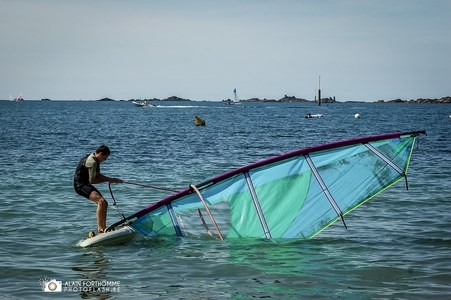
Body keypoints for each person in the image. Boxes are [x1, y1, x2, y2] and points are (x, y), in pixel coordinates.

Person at [74, 145, 123, 234]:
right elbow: (92, 180)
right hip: (80, 185)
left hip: (86, 183)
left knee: (104, 203)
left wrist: (112, 179)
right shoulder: (92, 162)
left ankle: (104, 227)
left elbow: (97, 175)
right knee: (101, 202)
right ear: (100, 154)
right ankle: (101, 229)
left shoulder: (96, 158)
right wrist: (110, 180)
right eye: (105, 157)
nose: (106, 159)